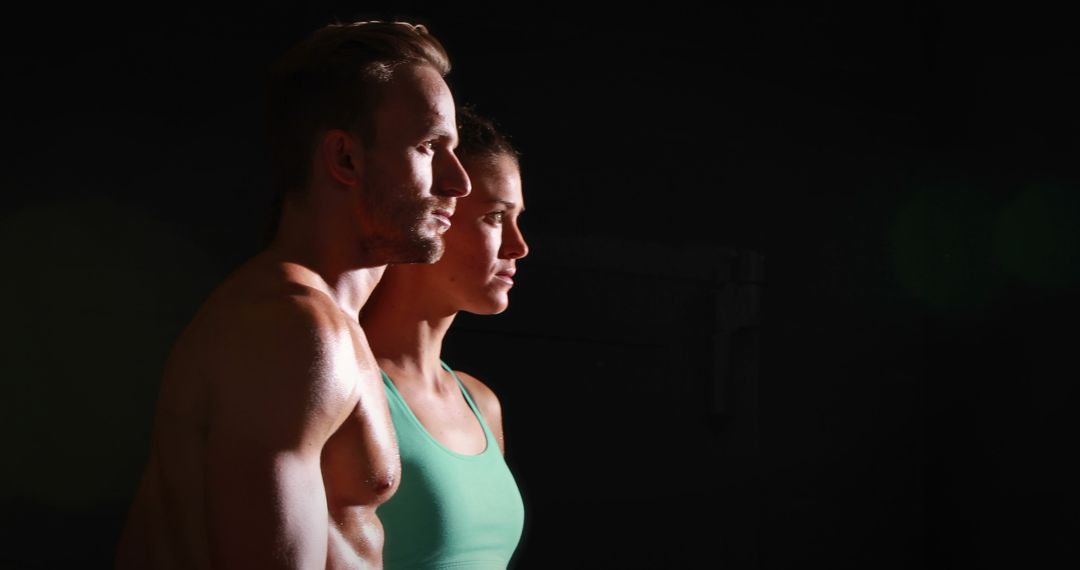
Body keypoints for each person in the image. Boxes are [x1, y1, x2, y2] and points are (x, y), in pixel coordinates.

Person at [115, 20, 471, 569]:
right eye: (429, 147)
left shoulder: (320, 321)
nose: (458, 182)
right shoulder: (296, 328)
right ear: (345, 159)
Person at [358, 105, 529, 569]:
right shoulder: (349, 387)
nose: (519, 246)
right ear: (432, 215)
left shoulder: (481, 402)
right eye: (495, 216)